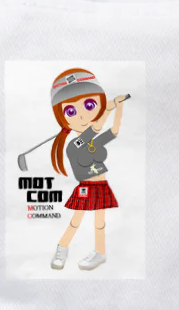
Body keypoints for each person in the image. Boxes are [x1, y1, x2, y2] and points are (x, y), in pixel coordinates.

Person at [47, 68, 125, 271]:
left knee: (100, 223)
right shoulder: (75, 144)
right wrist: (107, 110)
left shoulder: (93, 142)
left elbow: (113, 131)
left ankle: (100, 252)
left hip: (102, 186)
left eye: (89, 105)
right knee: (76, 221)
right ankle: (62, 248)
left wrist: (119, 108)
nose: (82, 116)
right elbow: (95, 129)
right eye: (71, 111)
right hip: (85, 188)